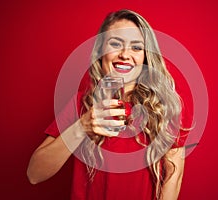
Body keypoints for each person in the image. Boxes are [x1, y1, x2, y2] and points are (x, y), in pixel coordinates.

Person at [27, 9, 192, 200]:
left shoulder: (165, 107)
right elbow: (34, 174)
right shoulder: (81, 104)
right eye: (115, 44)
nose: (125, 54)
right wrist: (82, 126)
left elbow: (173, 178)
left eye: (137, 48)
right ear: (100, 51)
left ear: (146, 57)